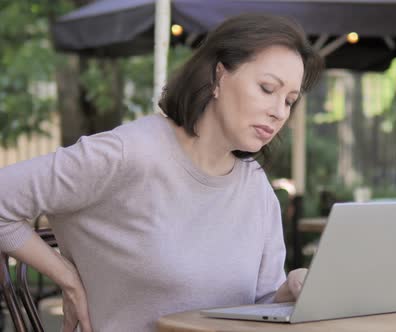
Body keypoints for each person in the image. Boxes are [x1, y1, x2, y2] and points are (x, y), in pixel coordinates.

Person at [0, 13, 323, 331]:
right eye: (268, 89)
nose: (279, 111)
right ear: (219, 76)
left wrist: (290, 291)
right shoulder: (128, 153)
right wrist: (68, 278)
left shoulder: (255, 185)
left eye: (290, 101)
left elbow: (258, 309)